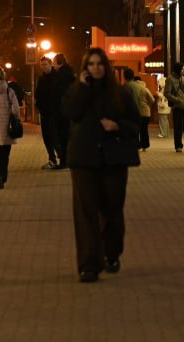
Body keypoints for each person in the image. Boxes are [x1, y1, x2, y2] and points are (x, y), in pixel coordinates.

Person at [63, 47, 140, 283]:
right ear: (85, 68)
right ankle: (89, 265)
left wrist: (117, 126)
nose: (95, 68)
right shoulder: (77, 90)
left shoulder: (119, 93)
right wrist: (82, 87)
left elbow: (135, 124)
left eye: (99, 64)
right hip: (83, 159)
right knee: (86, 213)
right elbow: (71, 112)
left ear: (106, 66)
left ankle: (111, 253)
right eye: (91, 64)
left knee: (112, 210)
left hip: (113, 159)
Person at [35, 55, 63, 169]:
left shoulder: (57, 77)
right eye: (42, 65)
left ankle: (62, 158)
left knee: (55, 136)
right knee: (46, 137)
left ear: (50, 64)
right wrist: (39, 106)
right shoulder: (41, 79)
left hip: (54, 113)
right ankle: (52, 159)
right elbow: (38, 94)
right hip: (44, 113)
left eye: (45, 64)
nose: (43, 67)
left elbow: (58, 94)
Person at [122, 68, 155, 150]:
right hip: (145, 111)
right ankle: (145, 145)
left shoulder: (127, 86)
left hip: (135, 111)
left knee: (135, 129)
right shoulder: (144, 88)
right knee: (144, 130)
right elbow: (152, 100)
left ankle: (137, 145)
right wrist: (146, 105)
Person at [53, 53, 76, 168]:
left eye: (54, 61)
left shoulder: (61, 75)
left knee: (62, 136)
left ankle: (64, 161)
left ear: (59, 62)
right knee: (67, 136)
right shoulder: (69, 73)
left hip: (62, 110)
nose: (53, 64)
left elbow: (59, 93)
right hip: (68, 109)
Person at [164, 63, 184, 152]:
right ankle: (178, 145)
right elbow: (167, 93)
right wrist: (177, 100)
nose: (183, 71)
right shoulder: (170, 79)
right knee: (178, 127)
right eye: (182, 69)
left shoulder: (183, 78)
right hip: (177, 106)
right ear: (178, 69)